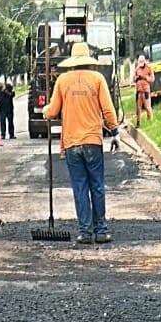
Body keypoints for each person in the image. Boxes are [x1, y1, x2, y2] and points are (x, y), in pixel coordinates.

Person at [44, 42, 120, 245]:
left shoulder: (62, 80)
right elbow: (108, 110)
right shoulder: (97, 79)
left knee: (80, 186)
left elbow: (52, 112)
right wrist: (114, 132)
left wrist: (45, 110)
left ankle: (85, 232)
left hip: (71, 143)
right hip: (93, 141)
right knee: (97, 185)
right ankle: (101, 231)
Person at [134, 55, 154, 126]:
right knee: (138, 108)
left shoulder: (149, 68)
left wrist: (145, 77)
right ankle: (138, 122)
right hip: (139, 91)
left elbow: (152, 79)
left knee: (147, 107)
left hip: (146, 91)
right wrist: (137, 78)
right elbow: (133, 79)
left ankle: (150, 121)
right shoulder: (137, 69)